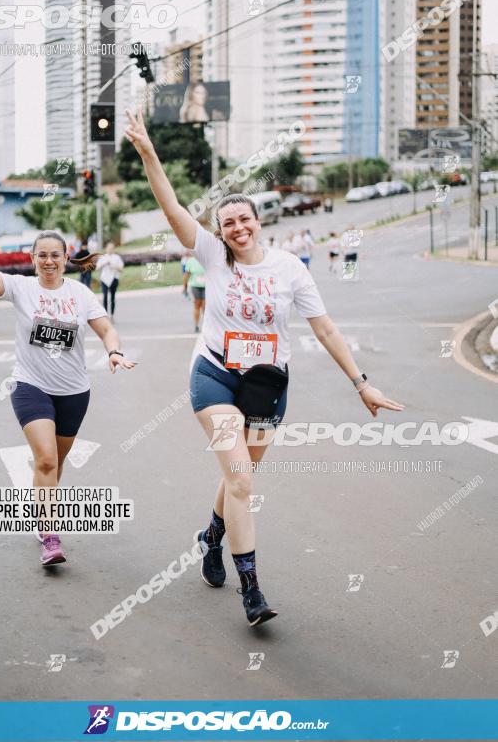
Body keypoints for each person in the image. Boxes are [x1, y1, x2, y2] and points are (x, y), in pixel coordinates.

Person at [124, 107, 404, 627]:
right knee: (243, 482)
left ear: (259, 221)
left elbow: (324, 329)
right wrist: (147, 151)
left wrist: (360, 383)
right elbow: (172, 212)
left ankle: (211, 537)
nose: (236, 227)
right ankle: (251, 590)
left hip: (268, 384)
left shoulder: (290, 269)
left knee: (240, 476)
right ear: (221, 230)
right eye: (227, 222)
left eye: (244, 219)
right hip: (214, 376)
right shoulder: (210, 254)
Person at [0, 199, 136, 567]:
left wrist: (113, 351)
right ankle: (50, 535)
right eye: (41, 255)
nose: (48, 261)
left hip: (74, 391)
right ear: (33, 258)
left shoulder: (80, 293)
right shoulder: (21, 288)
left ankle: (42, 509)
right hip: (31, 386)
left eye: (55, 255)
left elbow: (106, 328)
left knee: (54, 466)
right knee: (45, 458)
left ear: (65, 258)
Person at [96, 242, 124, 319]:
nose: (110, 250)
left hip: (114, 279)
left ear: (114, 249)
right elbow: (97, 268)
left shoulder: (117, 257)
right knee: (105, 296)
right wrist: (104, 263)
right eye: (109, 248)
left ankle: (112, 314)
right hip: (104, 279)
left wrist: (115, 266)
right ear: (106, 249)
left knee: (112, 296)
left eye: (112, 248)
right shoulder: (103, 257)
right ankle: (105, 314)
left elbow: (121, 269)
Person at [183, 253, 206, 332]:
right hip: (195, 286)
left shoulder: (206, 259)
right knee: (197, 305)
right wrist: (185, 287)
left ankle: (207, 325)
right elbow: (186, 275)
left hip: (207, 286)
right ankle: (196, 325)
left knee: (205, 306)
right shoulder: (191, 261)